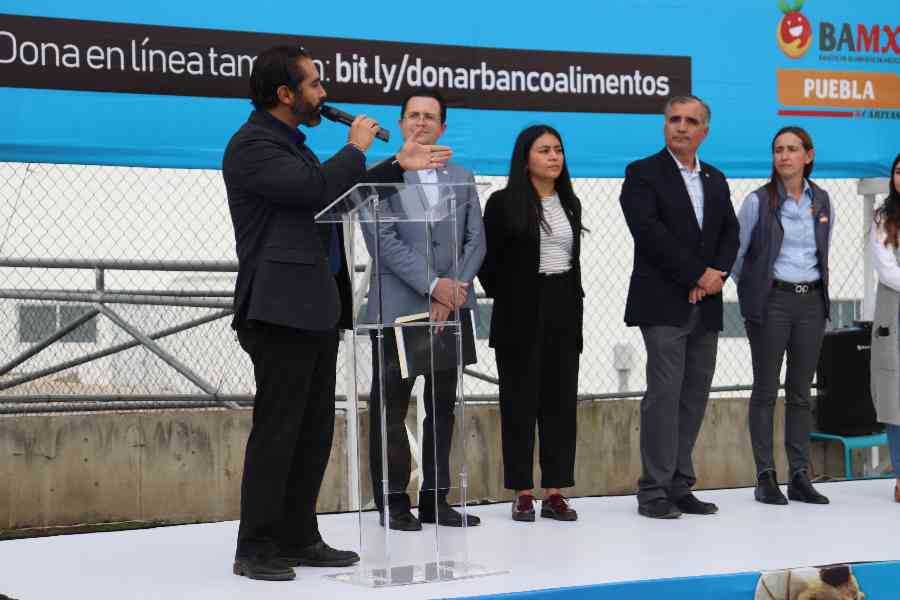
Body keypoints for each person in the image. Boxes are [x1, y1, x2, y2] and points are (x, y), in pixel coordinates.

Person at [222, 45, 450, 581]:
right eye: (315, 85)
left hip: (318, 305)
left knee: (313, 429)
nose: (324, 95)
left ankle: (299, 535)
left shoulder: (294, 147)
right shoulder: (253, 145)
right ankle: (255, 546)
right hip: (278, 308)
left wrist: (395, 165)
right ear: (286, 94)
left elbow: (335, 201)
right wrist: (356, 148)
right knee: (279, 430)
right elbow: (311, 191)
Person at [365, 87, 485, 530]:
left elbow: (476, 240)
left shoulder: (462, 175)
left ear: (442, 127)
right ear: (400, 124)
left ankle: (436, 497)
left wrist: (453, 290)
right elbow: (382, 241)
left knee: (441, 405)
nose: (421, 123)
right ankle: (393, 499)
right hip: (398, 307)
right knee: (390, 408)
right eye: (413, 115)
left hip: (451, 310)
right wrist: (433, 285)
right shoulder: (381, 175)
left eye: (429, 117)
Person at [620, 95, 739, 519]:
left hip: (705, 304)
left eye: (691, 121)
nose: (681, 127)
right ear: (664, 125)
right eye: (674, 120)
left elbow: (730, 233)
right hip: (662, 303)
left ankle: (678, 484)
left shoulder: (716, 178)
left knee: (694, 396)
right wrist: (696, 275)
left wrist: (715, 275)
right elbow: (649, 234)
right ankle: (653, 490)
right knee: (664, 396)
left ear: (704, 130)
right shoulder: (642, 174)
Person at [479, 124, 586, 522]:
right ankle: (522, 490)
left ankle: (555, 490)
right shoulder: (503, 203)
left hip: (563, 307)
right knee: (519, 403)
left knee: (559, 403)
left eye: (558, 150)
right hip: (520, 311)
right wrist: (514, 295)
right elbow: (487, 265)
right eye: (544, 151)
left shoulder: (569, 203)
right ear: (526, 158)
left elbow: (573, 264)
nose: (554, 157)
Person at [732, 126, 833, 506]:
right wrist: (758, 291)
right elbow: (738, 258)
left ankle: (800, 475)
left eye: (792, 149)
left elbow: (822, 254)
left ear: (808, 155)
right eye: (778, 150)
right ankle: (765, 476)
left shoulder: (822, 201)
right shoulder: (757, 202)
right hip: (772, 302)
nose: (784, 156)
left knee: (800, 394)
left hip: (811, 303)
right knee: (765, 390)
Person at [868, 152, 900, 504]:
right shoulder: (882, 218)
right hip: (896, 313)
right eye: (898, 171)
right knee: (896, 399)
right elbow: (887, 270)